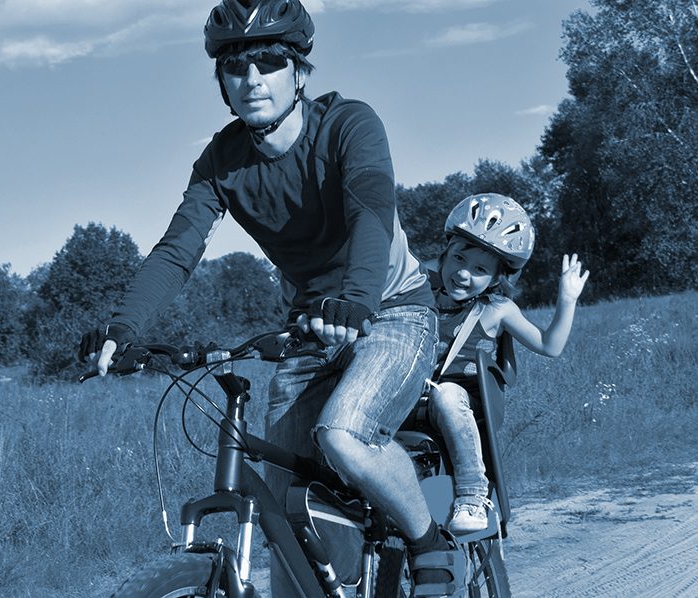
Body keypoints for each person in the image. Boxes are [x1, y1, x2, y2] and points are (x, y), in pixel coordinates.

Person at [79, 0, 465, 594]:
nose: (252, 78)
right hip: (313, 327)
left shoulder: (349, 125)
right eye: (236, 67)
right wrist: (120, 327)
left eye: (268, 60)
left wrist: (358, 300)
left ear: (299, 72)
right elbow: (177, 250)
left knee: (345, 436)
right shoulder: (220, 162)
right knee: (284, 502)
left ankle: (427, 542)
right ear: (223, 84)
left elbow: (370, 210)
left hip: (393, 310)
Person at [425, 193, 589, 533]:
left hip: (461, 404)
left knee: (447, 393)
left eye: (481, 269)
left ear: (498, 277)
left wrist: (567, 299)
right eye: (459, 258)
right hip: (411, 394)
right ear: (445, 254)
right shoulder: (420, 295)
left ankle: (473, 495)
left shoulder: (497, 309)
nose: (464, 274)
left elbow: (550, 345)